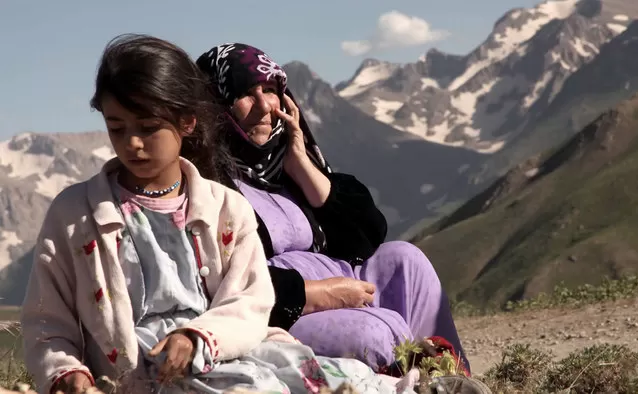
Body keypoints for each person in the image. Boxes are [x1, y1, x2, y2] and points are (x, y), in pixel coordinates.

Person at [19, 34, 418, 394]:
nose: (133, 143)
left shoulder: (224, 208)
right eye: (117, 128)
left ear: (188, 122)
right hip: (132, 376)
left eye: (148, 126)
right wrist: (67, 374)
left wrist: (199, 338)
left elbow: (250, 300)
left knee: (321, 376)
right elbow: (47, 319)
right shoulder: (75, 215)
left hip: (224, 354)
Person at [191, 43, 470, 374]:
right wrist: (316, 294)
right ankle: (406, 380)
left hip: (340, 284)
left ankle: (449, 379)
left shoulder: (285, 167)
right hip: (276, 311)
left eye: (270, 89)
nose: (265, 105)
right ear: (215, 106)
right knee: (371, 336)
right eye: (245, 94)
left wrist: (301, 167)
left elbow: (367, 236)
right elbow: (220, 279)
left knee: (405, 259)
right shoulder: (206, 185)